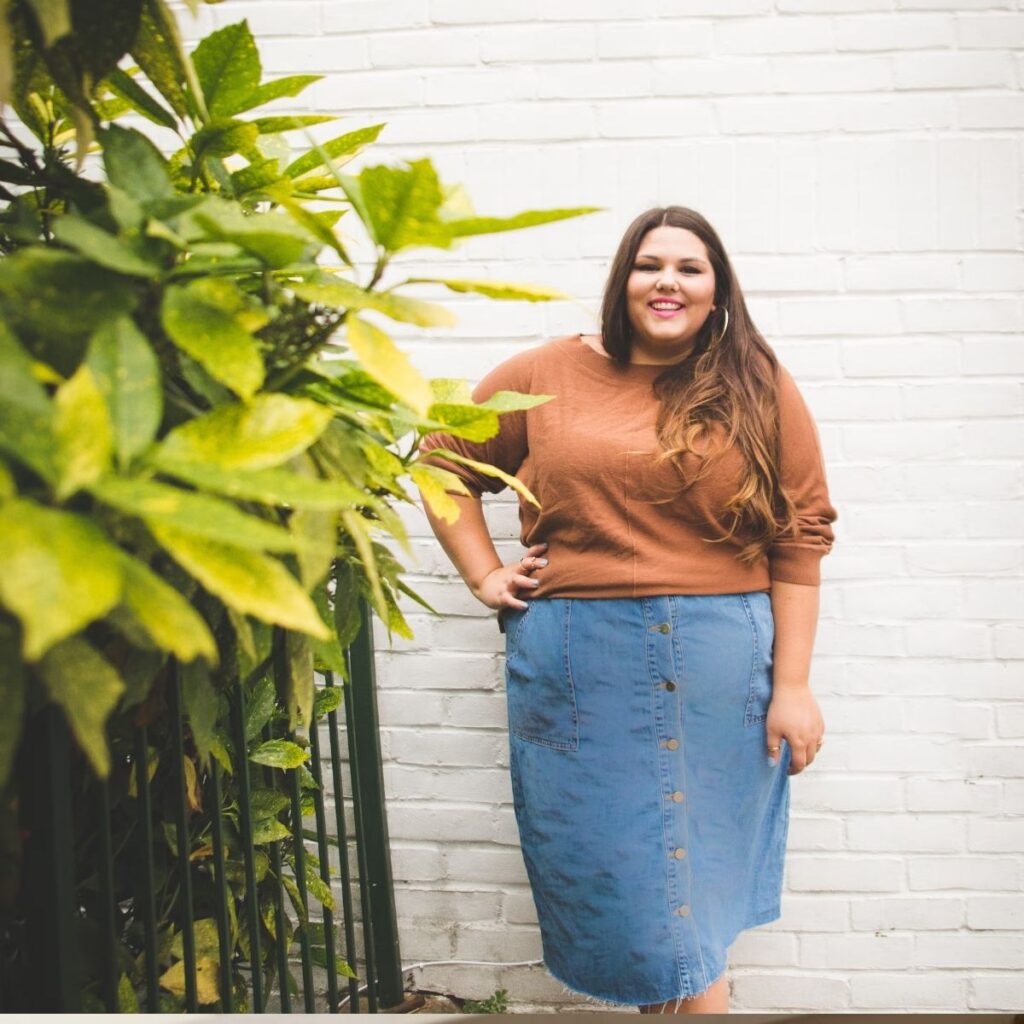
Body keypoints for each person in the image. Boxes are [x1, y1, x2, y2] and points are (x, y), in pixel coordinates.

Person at [416, 206, 838, 1015]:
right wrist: (483, 574)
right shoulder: (547, 372)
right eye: (651, 264)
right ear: (624, 277)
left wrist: (793, 686)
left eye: (690, 267)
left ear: (718, 291)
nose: (668, 281)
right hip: (583, 665)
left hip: (720, 666)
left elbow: (801, 533)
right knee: (638, 897)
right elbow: (442, 458)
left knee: (693, 896)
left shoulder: (757, 381)